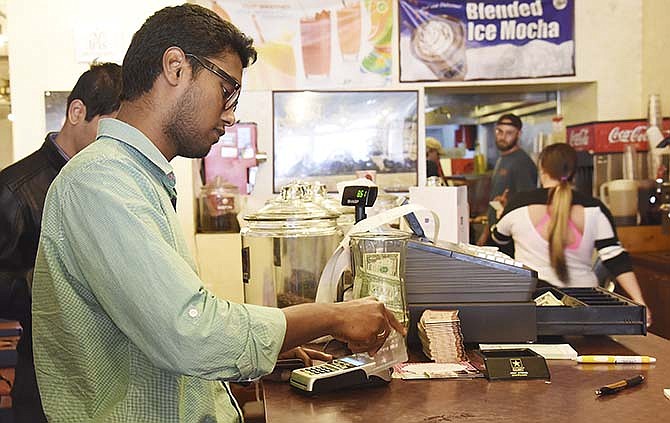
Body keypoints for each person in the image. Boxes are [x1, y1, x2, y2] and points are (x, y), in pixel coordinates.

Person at [31, 4, 404, 422]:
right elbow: (189, 332)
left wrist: (269, 349)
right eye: (226, 90)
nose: (229, 115)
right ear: (176, 67)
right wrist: (332, 316)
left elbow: (166, 327)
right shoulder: (100, 181)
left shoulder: (140, 179)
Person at [0, 62, 122, 422]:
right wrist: (58, 286)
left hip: (105, 370)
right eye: (108, 128)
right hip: (43, 371)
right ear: (77, 111)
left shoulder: (109, 180)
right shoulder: (14, 188)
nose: (114, 142)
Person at [491, 143, 652, 326]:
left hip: (534, 306)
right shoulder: (594, 208)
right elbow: (616, 259)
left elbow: (497, 244)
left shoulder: (518, 205)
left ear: (542, 168)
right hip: (586, 309)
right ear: (573, 171)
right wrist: (640, 302)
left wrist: (501, 217)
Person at [477, 113, 537, 246]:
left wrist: (508, 204)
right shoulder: (502, 159)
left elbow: (528, 203)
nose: (503, 137)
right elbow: (495, 201)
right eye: (499, 131)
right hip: (496, 232)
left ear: (519, 134)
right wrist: (485, 234)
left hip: (510, 236)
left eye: (509, 133)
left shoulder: (521, 162)